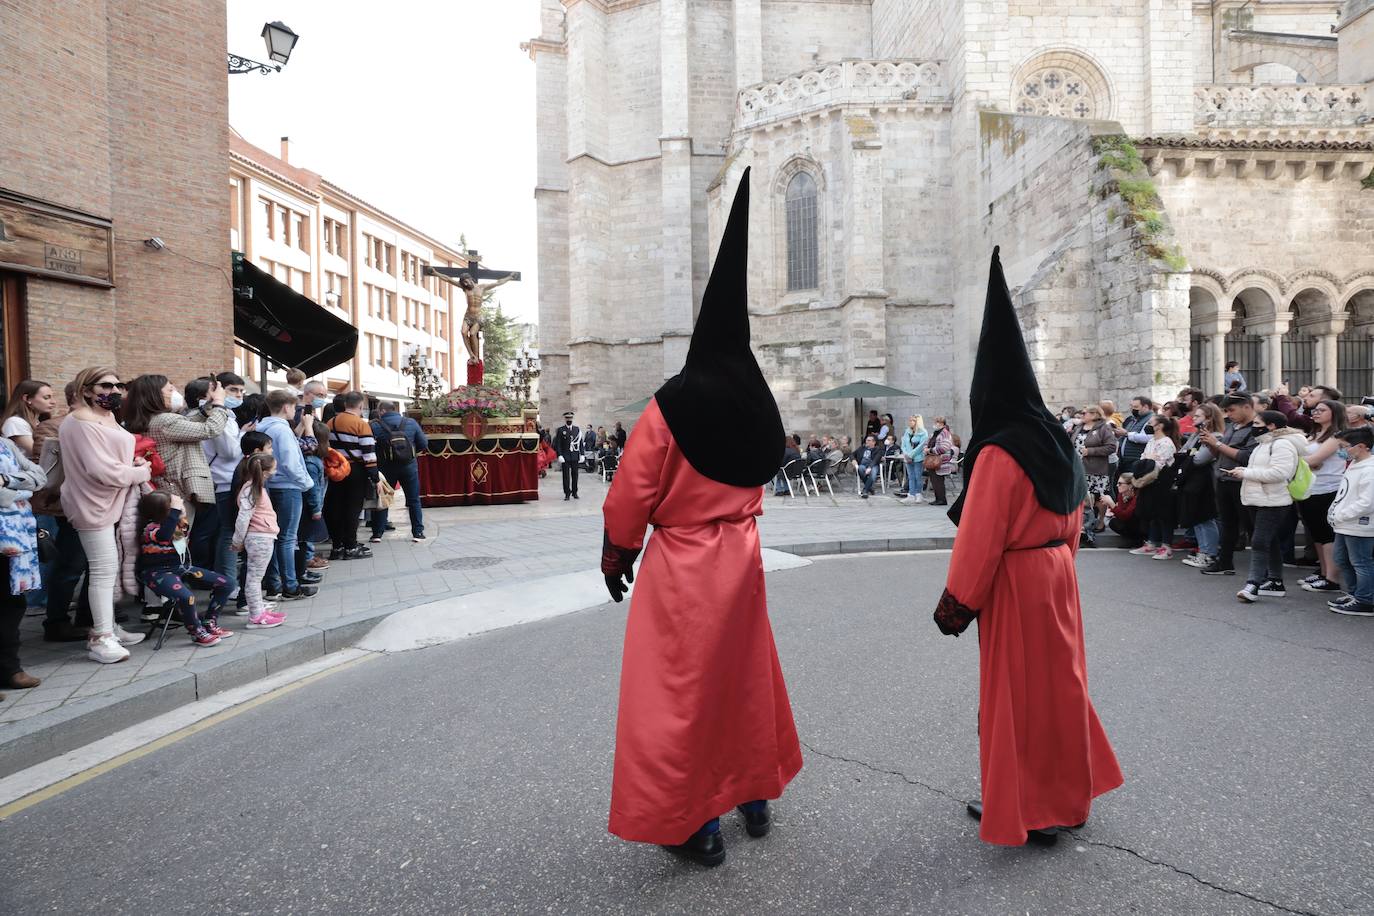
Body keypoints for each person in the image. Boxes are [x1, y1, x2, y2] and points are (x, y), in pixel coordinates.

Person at [600, 169, 800, 867]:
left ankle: (696, 825)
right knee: (741, 677)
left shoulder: (676, 400)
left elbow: (632, 490)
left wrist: (617, 552)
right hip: (741, 557)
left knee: (680, 692)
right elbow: (769, 461)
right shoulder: (757, 399)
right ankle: (753, 796)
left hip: (684, 562)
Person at [932, 247, 1121, 846]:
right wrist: (1058, 559)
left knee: (1016, 698)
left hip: (1016, 581)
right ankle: (1067, 796)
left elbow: (980, 538)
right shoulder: (1056, 440)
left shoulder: (998, 452)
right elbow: (1076, 513)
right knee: (1060, 687)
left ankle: (1030, 807)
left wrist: (956, 604)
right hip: (1057, 573)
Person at [59, 367, 151, 663]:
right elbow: (100, 470)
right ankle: (101, 637)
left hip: (112, 500)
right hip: (91, 503)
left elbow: (112, 461)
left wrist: (133, 464)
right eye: (105, 385)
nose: (113, 390)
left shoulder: (106, 417)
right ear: (86, 390)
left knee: (106, 570)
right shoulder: (78, 422)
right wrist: (139, 471)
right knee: (102, 570)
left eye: (117, 385)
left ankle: (108, 627)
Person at [32, 382, 93, 642]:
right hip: (68, 505)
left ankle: (88, 619)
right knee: (71, 564)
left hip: (98, 503)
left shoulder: (103, 423)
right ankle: (56, 622)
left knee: (96, 565)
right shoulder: (51, 426)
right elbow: (42, 469)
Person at [1224, 410, 1306, 603]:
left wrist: (1245, 473)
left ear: (1271, 426)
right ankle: (1275, 581)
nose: (1254, 426)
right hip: (1258, 498)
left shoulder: (1282, 444)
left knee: (1260, 541)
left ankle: (1253, 583)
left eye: (1257, 422)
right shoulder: (1265, 443)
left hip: (1274, 500)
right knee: (1270, 540)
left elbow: (1279, 473)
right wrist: (1244, 471)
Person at [135, 490, 233, 646]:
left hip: (179, 567)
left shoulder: (173, 524)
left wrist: (181, 515)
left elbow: (181, 542)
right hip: (157, 573)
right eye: (173, 507)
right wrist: (175, 512)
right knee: (187, 597)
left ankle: (209, 622)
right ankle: (196, 632)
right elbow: (164, 536)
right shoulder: (150, 529)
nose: (179, 508)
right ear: (163, 511)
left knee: (227, 584)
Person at [256, 390, 316, 599]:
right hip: (287, 486)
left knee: (274, 537)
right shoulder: (282, 430)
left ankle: (274, 584)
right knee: (287, 538)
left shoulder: (263, 427)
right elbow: (291, 462)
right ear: (286, 407)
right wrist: (307, 483)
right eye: (293, 407)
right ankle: (290, 584)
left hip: (270, 485)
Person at [0, 432, 47, 695]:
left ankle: (10, 669)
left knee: (13, 602)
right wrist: (18, 493)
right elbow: (14, 495)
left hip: (15, 538)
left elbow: (39, 478)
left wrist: (7, 480)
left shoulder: (6, 445)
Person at [1198, 392, 1260, 576]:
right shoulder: (1232, 427)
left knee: (1251, 526)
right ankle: (1224, 562)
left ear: (1247, 407)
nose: (1228, 414)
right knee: (1228, 524)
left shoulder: (1256, 429)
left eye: (1231, 410)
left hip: (1242, 481)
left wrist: (1216, 444)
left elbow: (1245, 456)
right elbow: (1222, 453)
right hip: (1224, 480)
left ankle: (1262, 570)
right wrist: (1211, 444)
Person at [1295, 400, 1346, 594]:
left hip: (1328, 488)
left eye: (1321, 410)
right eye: (1315, 410)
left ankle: (1332, 579)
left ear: (1334, 413)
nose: (1315, 413)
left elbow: (1315, 459)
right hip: (1310, 487)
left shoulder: (1336, 435)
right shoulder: (1314, 433)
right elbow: (1308, 461)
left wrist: (1298, 460)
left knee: (1326, 534)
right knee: (1316, 532)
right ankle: (1323, 572)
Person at [231, 453, 285, 629]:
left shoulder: (252, 488)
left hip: (260, 537)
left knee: (254, 578)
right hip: (260, 537)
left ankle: (259, 611)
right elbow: (242, 518)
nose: (275, 471)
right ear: (265, 472)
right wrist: (237, 541)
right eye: (273, 468)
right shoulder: (251, 490)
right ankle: (256, 616)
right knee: (254, 579)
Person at [201, 372, 245, 587]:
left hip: (225, 479)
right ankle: (228, 585)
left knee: (224, 535)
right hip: (223, 480)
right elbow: (229, 451)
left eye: (241, 391)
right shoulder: (218, 415)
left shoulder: (225, 415)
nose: (238, 395)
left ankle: (223, 583)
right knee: (229, 537)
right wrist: (244, 437)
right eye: (233, 390)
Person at [324, 391, 379, 560]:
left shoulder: (330, 422)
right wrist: (374, 477)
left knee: (335, 507)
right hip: (356, 470)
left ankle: (337, 546)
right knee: (352, 509)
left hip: (336, 469)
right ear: (361, 405)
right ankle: (351, 546)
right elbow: (369, 454)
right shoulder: (361, 424)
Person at [1327, 426, 1374, 616]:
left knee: (1361, 562)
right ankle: (1356, 593)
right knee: (1342, 559)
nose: (1341, 450)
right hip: (1344, 524)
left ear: (1361, 446)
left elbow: (1367, 502)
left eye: (1344, 446)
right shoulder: (1355, 464)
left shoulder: (1370, 470)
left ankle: (1366, 599)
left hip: (1359, 525)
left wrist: (1341, 514)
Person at [370, 401, 429, 542]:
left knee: (383, 498)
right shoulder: (411, 423)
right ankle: (418, 532)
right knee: (414, 499)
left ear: (382, 411)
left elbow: (370, 447)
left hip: (385, 468)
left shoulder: (374, 425)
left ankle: (377, 533)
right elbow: (423, 444)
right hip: (409, 466)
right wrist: (411, 454)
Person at [1178, 403, 1224, 569]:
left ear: (1209, 418)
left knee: (1205, 518)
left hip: (1206, 482)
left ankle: (1209, 554)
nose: (1194, 419)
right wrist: (1189, 454)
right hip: (1193, 481)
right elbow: (1184, 451)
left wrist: (1189, 455)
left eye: (1198, 416)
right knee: (1196, 518)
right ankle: (1203, 552)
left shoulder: (1216, 437)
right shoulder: (1196, 435)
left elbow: (1198, 459)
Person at [1129, 416, 1179, 559]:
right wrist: (1149, 458)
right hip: (1149, 481)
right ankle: (1152, 543)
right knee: (1152, 513)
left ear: (1159, 426)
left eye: (1151, 423)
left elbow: (1158, 463)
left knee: (1164, 515)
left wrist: (1149, 459)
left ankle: (1166, 546)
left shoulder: (1167, 442)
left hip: (1162, 481)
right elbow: (1143, 459)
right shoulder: (1152, 441)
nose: (1149, 425)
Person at [1074, 405, 1116, 546]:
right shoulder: (1078, 427)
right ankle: (1083, 524)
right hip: (1079, 468)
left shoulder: (1104, 428)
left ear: (1094, 414)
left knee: (1098, 496)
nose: (1082, 415)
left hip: (1096, 468)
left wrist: (1090, 451)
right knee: (1083, 496)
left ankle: (1100, 522)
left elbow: (1111, 447)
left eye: (1085, 413)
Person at [1, 380, 56, 459]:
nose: (54, 402)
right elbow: (40, 452)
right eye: (46, 398)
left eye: (53, 397)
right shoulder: (15, 422)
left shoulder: (38, 422)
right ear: (27, 398)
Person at [1112, 396, 1155, 470]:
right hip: (1125, 460)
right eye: (1131, 406)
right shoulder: (1132, 419)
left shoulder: (1151, 419)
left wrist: (1126, 434)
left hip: (1137, 460)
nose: (1133, 409)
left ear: (1146, 407)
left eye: (1136, 407)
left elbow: (1147, 437)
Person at [927, 417, 956, 506]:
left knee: (939, 480)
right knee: (934, 480)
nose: (935, 424)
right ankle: (937, 498)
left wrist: (931, 450)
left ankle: (942, 500)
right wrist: (926, 449)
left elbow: (944, 447)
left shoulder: (945, 433)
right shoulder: (934, 433)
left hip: (941, 461)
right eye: (935, 422)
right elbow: (927, 442)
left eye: (937, 422)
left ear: (942, 423)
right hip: (932, 460)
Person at [899, 416, 928, 502]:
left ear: (918, 422)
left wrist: (911, 455)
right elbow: (903, 443)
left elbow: (921, 446)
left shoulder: (923, 432)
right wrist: (906, 453)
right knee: (911, 477)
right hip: (908, 457)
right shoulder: (907, 431)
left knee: (917, 476)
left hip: (918, 458)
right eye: (910, 420)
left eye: (913, 420)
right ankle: (911, 494)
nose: (911, 422)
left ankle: (918, 494)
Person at [553, 411, 582, 500]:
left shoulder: (577, 429)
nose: (569, 420)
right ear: (565, 419)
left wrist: (582, 454)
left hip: (574, 455)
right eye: (567, 418)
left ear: (572, 419)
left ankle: (575, 492)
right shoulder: (561, 430)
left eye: (570, 418)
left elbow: (580, 443)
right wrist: (559, 455)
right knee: (566, 475)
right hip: (565, 456)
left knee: (575, 475)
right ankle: (567, 493)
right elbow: (558, 444)